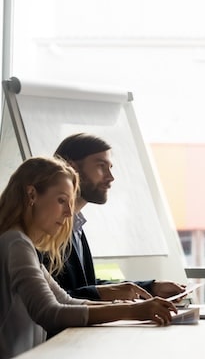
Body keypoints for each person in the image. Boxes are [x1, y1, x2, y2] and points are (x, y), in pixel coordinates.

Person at [0, 157, 177, 359]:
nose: (68, 212)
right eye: (61, 200)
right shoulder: (17, 243)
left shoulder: (20, 243)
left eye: (70, 202)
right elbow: (50, 313)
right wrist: (133, 311)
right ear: (32, 194)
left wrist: (133, 308)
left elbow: (67, 301)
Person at [49, 133, 185, 301]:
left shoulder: (75, 225)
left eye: (110, 168)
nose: (110, 177)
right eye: (101, 166)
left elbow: (86, 286)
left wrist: (151, 288)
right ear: (72, 168)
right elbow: (55, 299)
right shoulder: (47, 228)